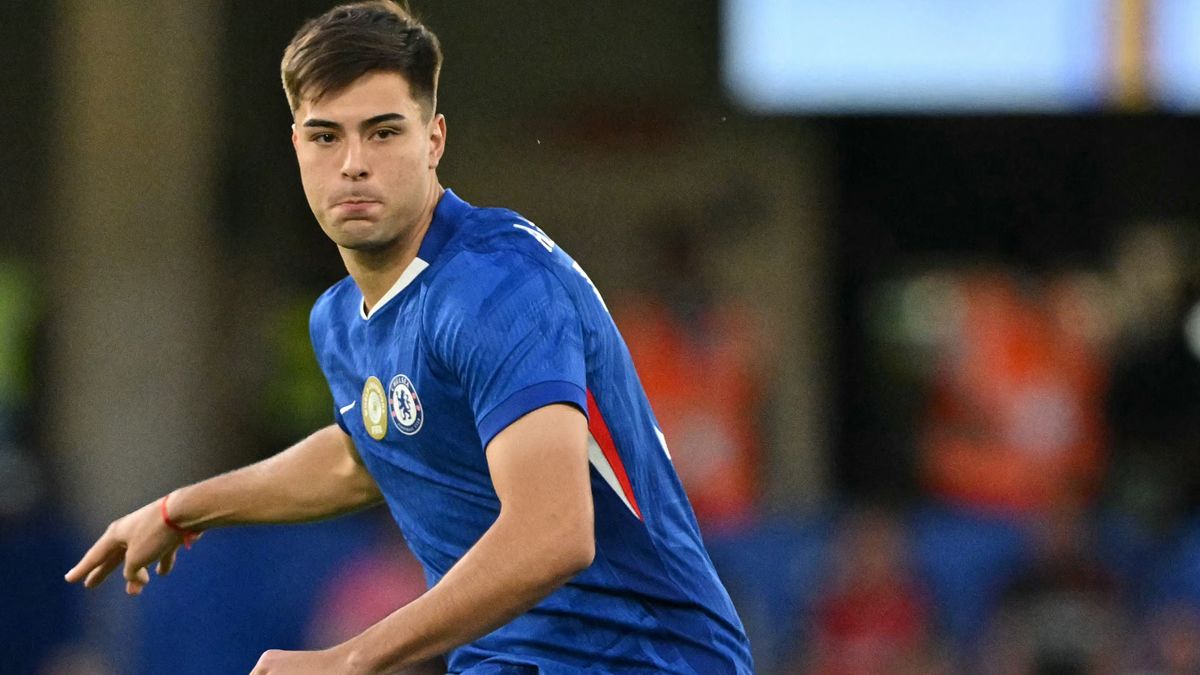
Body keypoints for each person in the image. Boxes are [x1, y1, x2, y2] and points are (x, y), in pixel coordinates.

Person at [63, 2, 754, 673]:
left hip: (645, 660)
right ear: (297, 146)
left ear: (434, 140)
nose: (353, 163)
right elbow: (365, 455)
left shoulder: (499, 285)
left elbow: (554, 532)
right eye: (326, 136)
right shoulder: (339, 319)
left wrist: (350, 657)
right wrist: (181, 510)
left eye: (384, 132)